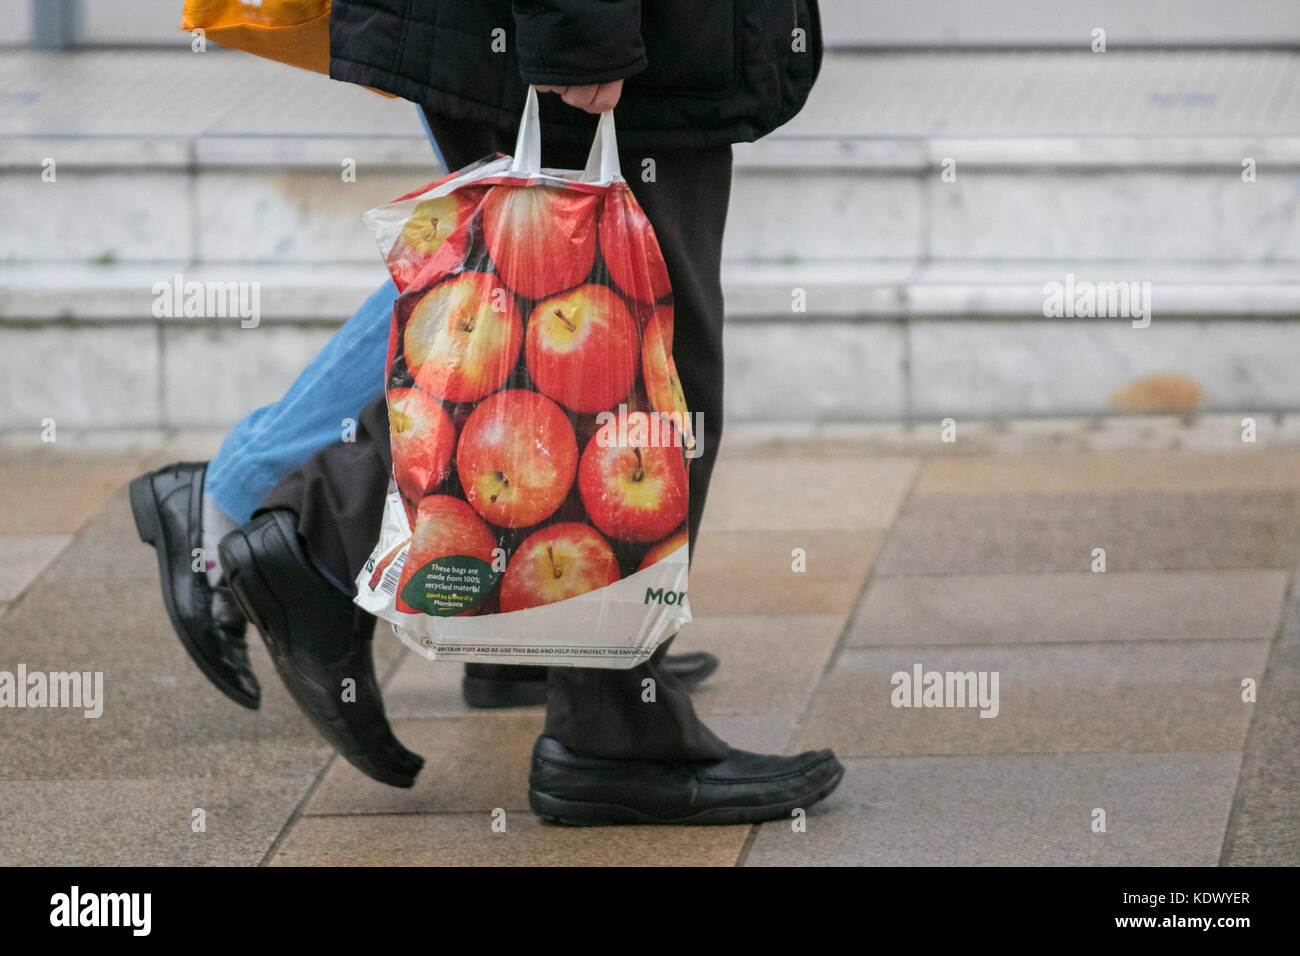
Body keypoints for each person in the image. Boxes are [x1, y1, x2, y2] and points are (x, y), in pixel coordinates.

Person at [145, 0, 845, 824]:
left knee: (541, 325)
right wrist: (581, 28)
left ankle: (519, 643)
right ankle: (607, 738)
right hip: (594, 34)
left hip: (553, 30)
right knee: (641, 382)